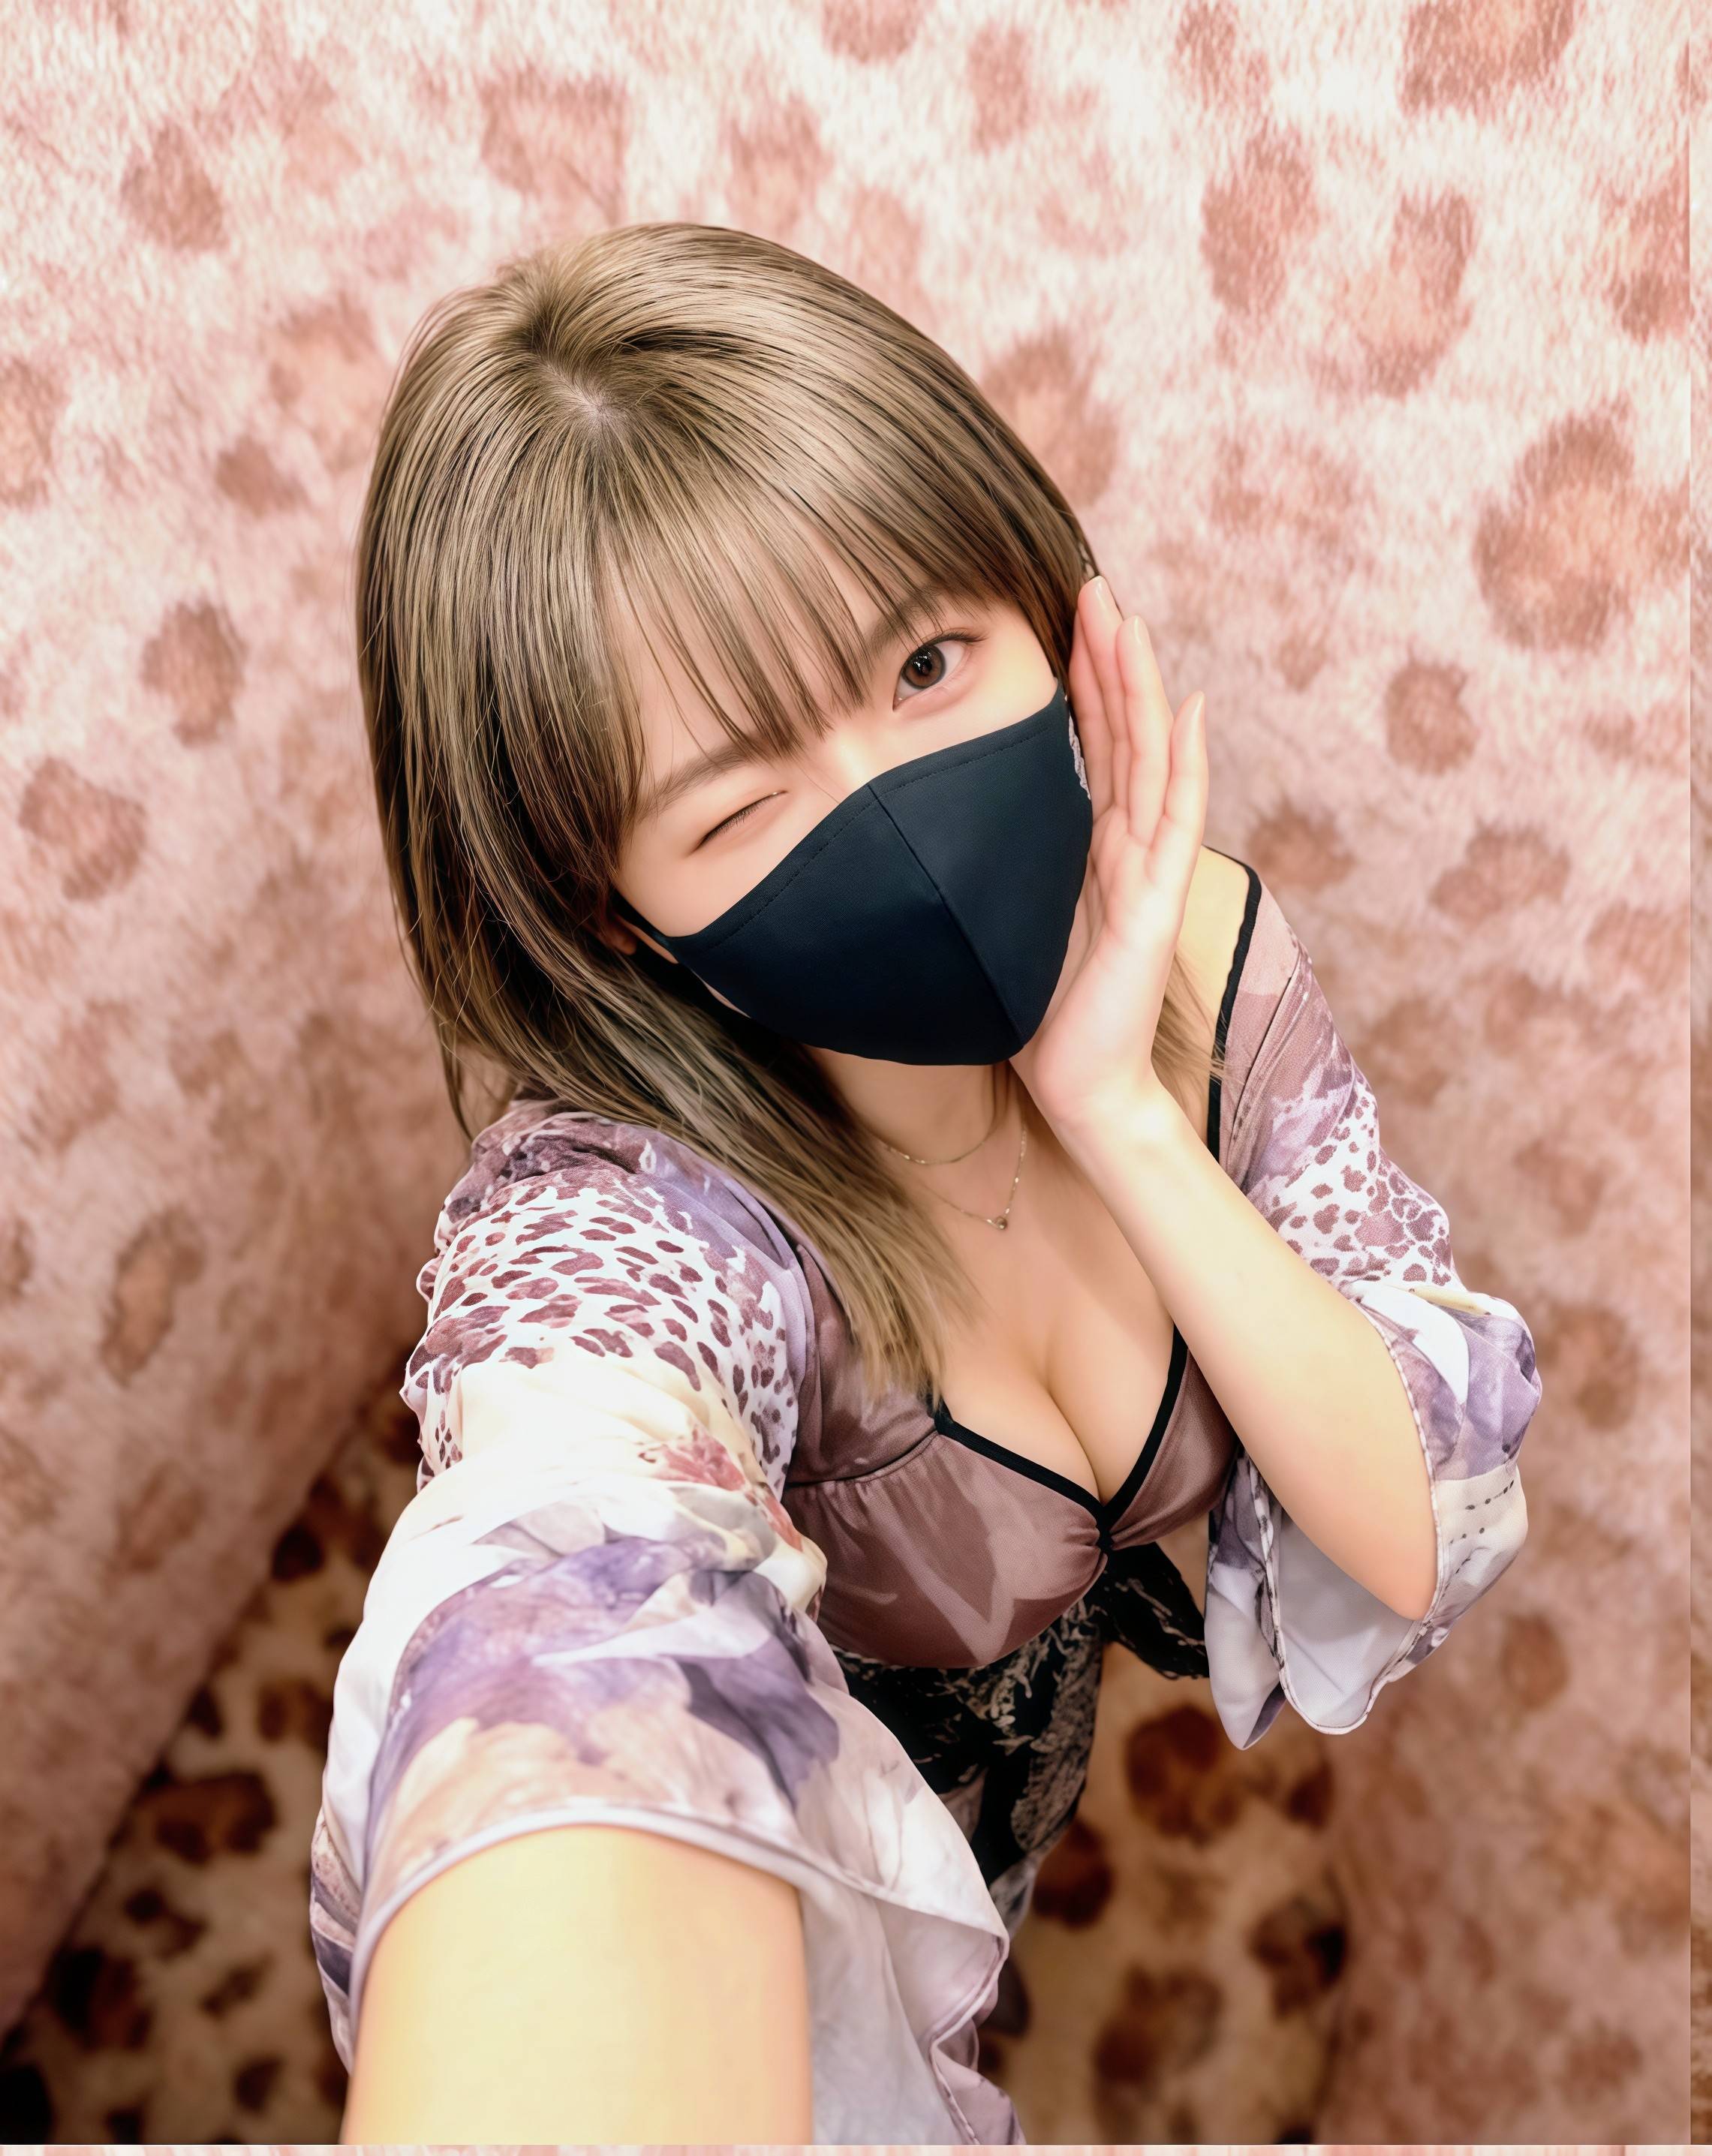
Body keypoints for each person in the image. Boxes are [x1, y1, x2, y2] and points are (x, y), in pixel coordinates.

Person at [306, 221, 1541, 2145]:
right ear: (604, 911)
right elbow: (571, 1598)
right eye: (742, 800)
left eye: (926, 661)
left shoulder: (1194, 955)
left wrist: (1121, 1116)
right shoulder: (634, 1222)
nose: (894, 808)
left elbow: (1407, 1526)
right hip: (811, 1973)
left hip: (1016, 1838)